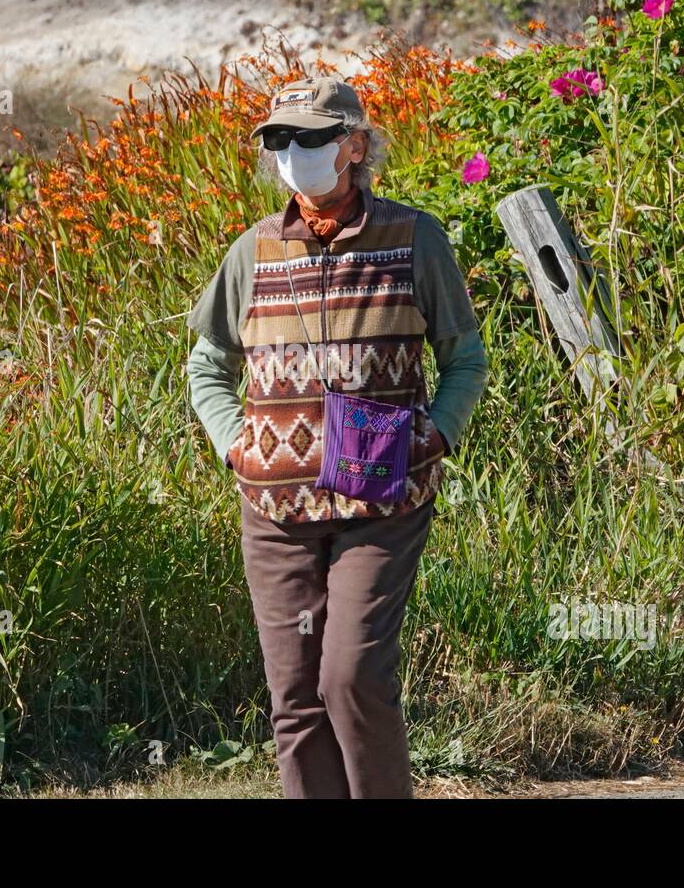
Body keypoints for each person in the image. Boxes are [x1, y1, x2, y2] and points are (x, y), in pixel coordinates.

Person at [185, 75, 488, 798]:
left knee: (351, 679)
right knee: (295, 700)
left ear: (354, 145)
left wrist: (436, 435)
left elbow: (464, 357)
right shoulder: (252, 252)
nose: (294, 153)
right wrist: (236, 444)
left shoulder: (414, 237)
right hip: (275, 510)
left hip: (383, 502)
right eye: (280, 140)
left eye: (313, 138)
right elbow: (207, 364)